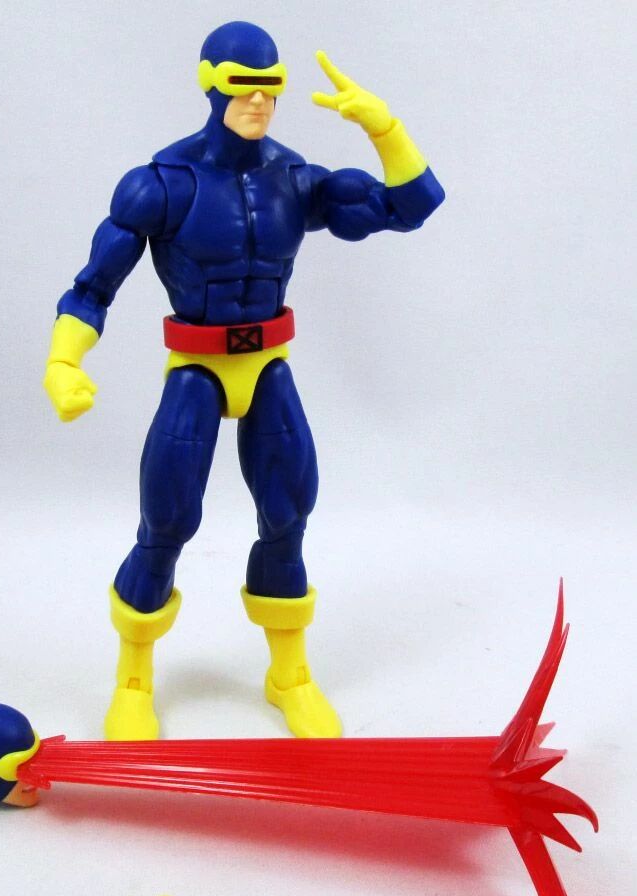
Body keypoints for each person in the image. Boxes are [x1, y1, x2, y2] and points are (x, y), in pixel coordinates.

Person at [44, 21, 444, 741]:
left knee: (288, 513)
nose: (258, 101)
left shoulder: (295, 179)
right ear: (209, 83)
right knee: (166, 520)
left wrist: (384, 128)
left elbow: (410, 206)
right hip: (196, 366)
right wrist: (63, 361)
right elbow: (93, 286)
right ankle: (133, 679)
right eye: (242, 85)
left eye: (270, 87)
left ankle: (289, 674)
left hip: (266, 364)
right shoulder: (161, 184)